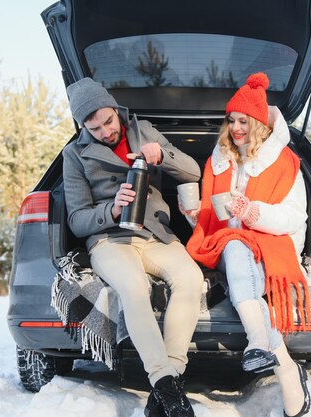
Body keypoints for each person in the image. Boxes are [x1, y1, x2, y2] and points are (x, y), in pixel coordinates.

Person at [63, 77, 204, 417]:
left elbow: (194, 171)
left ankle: (165, 388)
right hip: (110, 241)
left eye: (108, 122)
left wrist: (163, 155)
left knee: (191, 279)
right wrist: (110, 210)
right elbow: (77, 220)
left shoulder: (144, 131)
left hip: (155, 235)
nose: (105, 132)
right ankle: (167, 385)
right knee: (134, 287)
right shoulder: (75, 154)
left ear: (115, 109)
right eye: (94, 128)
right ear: (84, 127)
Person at [182, 73, 311, 417]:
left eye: (243, 121)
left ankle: (266, 349)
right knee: (235, 247)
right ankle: (279, 360)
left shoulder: (285, 163)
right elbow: (211, 221)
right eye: (232, 120)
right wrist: (194, 214)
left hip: (271, 243)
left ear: (258, 123)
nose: (236, 127)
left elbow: (294, 217)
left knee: (240, 251)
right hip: (226, 244)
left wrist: (253, 212)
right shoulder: (217, 160)